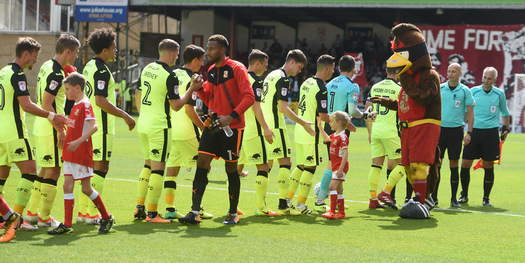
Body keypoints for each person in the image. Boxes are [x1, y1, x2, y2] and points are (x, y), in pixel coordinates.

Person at [178, 34, 255, 225]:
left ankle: (232, 213)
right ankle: (195, 211)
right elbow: (208, 97)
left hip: (233, 127)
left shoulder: (237, 68)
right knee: (202, 162)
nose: (207, 52)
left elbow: (249, 96)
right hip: (212, 126)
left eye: (211, 48)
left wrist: (231, 116)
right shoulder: (211, 71)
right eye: (207, 48)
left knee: (231, 168)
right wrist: (197, 88)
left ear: (222, 50)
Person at [0, 37, 67, 231]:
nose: (35, 61)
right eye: (35, 57)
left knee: (1, 178)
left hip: (1, 133)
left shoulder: (3, 71)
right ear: (26, 53)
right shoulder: (17, 74)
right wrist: (52, 115)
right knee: (30, 173)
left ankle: (3, 218)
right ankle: (17, 217)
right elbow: (27, 105)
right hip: (15, 132)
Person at [133, 39, 202, 223]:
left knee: (147, 165)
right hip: (159, 127)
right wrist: (191, 89)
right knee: (157, 170)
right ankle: (152, 214)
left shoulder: (147, 68)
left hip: (144, 124)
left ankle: (140, 207)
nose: (177, 58)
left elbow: (137, 94)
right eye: (177, 54)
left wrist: (143, 115)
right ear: (172, 54)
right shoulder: (169, 75)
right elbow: (177, 105)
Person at [78, 28, 136, 224]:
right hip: (101, 127)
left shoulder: (88, 66)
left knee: (89, 169)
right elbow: (101, 101)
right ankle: (93, 214)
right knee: (101, 167)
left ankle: (83, 212)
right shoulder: (102, 70)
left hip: (88, 125)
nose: (116, 50)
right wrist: (125, 115)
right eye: (113, 47)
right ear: (104, 50)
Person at [47, 72, 115, 235]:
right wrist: (66, 121)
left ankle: (106, 217)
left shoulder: (85, 104)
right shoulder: (77, 104)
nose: (66, 92)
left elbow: (94, 126)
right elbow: (77, 125)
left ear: (78, 88)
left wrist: (79, 141)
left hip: (80, 153)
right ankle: (67, 224)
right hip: (70, 154)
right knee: (67, 186)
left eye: (68, 89)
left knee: (86, 188)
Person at [25, 34, 81, 229]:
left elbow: (40, 98)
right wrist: (60, 130)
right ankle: (45, 217)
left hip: (41, 125)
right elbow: (47, 103)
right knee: (54, 171)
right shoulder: (56, 73)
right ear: (67, 51)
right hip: (50, 128)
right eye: (75, 52)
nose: (76, 56)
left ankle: (32, 213)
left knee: (44, 170)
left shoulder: (46, 66)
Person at [258, 49, 315, 216]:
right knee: (285, 163)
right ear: (292, 62)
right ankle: (283, 205)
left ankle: (261, 205)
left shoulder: (271, 75)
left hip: (265, 124)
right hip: (276, 125)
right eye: (300, 66)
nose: (300, 70)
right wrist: (303, 122)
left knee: (266, 165)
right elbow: (283, 108)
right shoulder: (283, 78)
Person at [314, 55, 367, 211]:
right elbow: (352, 111)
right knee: (335, 164)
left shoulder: (329, 83)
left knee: (334, 163)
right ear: (353, 69)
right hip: (340, 127)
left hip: (328, 124)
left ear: (338, 68)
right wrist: (365, 115)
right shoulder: (352, 86)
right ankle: (321, 199)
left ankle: (334, 200)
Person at [160, 44, 207, 220]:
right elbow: (189, 110)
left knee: (172, 168)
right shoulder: (193, 79)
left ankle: (170, 208)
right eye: (201, 60)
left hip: (172, 129)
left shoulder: (173, 74)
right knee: (204, 166)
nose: (202, 64)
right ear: (195, 60)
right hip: (188, 131)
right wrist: (205, 128)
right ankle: (197, 207)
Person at [286, 54, 333, 214]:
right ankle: (301, 204)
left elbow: (299, 106)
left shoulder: (306, 82)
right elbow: (325, 117)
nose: (333, 71)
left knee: (300, 166)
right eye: (332, 68)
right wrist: (343, 118)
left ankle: (288, 199)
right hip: (310, 131)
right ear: (327, 68)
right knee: (310, 167)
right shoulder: (321, 88)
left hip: (300, 129)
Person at [235, 49, 279, 216]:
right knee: (263, 166)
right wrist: (266, 128)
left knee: (238, 168)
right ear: (257, 63)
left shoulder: (238, 77)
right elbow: (256, 107)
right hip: (254, 130)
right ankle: (261, 207)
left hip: (240, 128)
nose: (266, 69)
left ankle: (233, 206)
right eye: (265, 66)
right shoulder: (256, 81)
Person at [458, 67, 510, 206]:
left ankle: (486, 198)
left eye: (489, 78)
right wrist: (461, 127)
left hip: (491, 133)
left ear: (494, 80)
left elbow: (505, 113)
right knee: (465, 164)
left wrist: (507, 128)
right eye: (484, 77)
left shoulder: (499, 94)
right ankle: (464, 195)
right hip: (473, 132)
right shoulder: (473, 91)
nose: (486, 80)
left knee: (488, 165)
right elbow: (465, 111)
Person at [433, 63, 475, 208]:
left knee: (453, 165)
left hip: (456, 132)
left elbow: (470, 112)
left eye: (453, 71)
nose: (450, 74)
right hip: (440, 131)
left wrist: (469, 132)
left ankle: (453, 199)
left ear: (460, 73)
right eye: (449, 71)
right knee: (437, 165)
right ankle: (433, 197)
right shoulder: (440, 88)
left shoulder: (465, 91)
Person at [365, 67, 406, 209]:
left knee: (376, 165)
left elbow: (367, 111)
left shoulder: (375, 87)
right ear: (398, 73)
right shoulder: (399, 88)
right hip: (391, 132)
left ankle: (372, 199)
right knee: (405, 164)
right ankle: (386, 192)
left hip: (376, 131)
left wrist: (370, 132)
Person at [320, 111, 350, 219]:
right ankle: (341, 213)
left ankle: (332, 211)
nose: (330, 124)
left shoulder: (342, 137)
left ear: (339, 123)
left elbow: (345, 153)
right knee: (339, 190)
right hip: (336, 166)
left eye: (332, 122)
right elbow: (327, 139)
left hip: (340, 167)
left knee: (331, 187)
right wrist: (320, 127)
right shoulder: (335, 135)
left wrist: (341, 169)